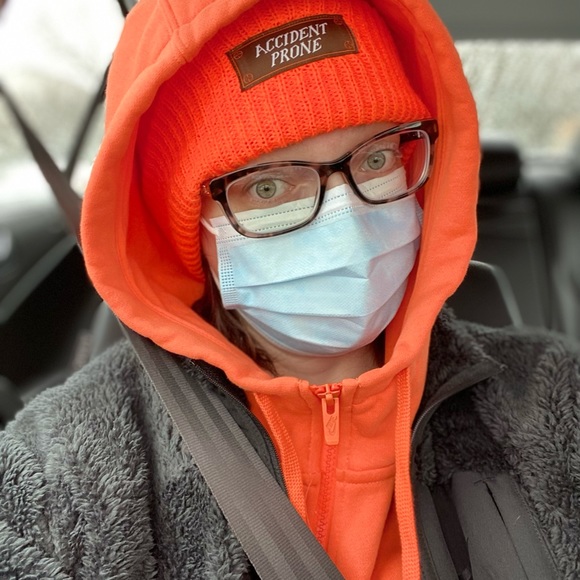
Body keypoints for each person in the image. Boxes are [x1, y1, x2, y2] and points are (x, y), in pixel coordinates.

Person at [1, 0, 579, 578]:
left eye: (376, 157)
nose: (348, 224)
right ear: (190, 225)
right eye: (269, 187)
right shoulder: (68, 473)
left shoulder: (558, 398)